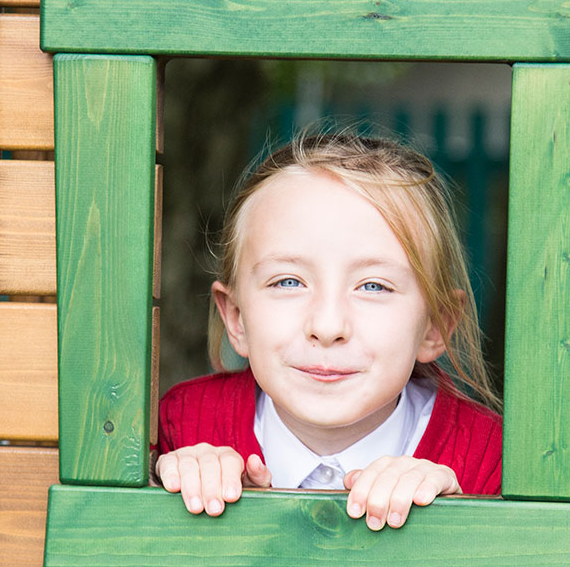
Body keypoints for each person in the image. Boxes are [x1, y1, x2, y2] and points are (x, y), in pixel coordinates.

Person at [155, 130, 501, 530]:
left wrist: (457, 528)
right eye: (288, 282)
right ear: (236, 318)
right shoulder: (183, 425)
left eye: (374, 286)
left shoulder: (489, 459)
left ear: (435, 326)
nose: (327, 326)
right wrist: (177, 495)